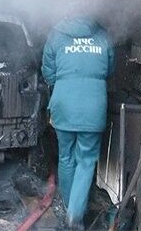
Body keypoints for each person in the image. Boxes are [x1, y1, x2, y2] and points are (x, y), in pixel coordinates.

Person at [42, 15, 114, 230]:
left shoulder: (56, 35)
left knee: (66, 156)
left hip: (63, 104)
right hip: (93, 106)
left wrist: (62, 88)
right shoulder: (103, 37)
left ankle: (66, 206)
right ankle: (75, 213)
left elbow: (48, 72)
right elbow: (110, 70)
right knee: (86, 160)